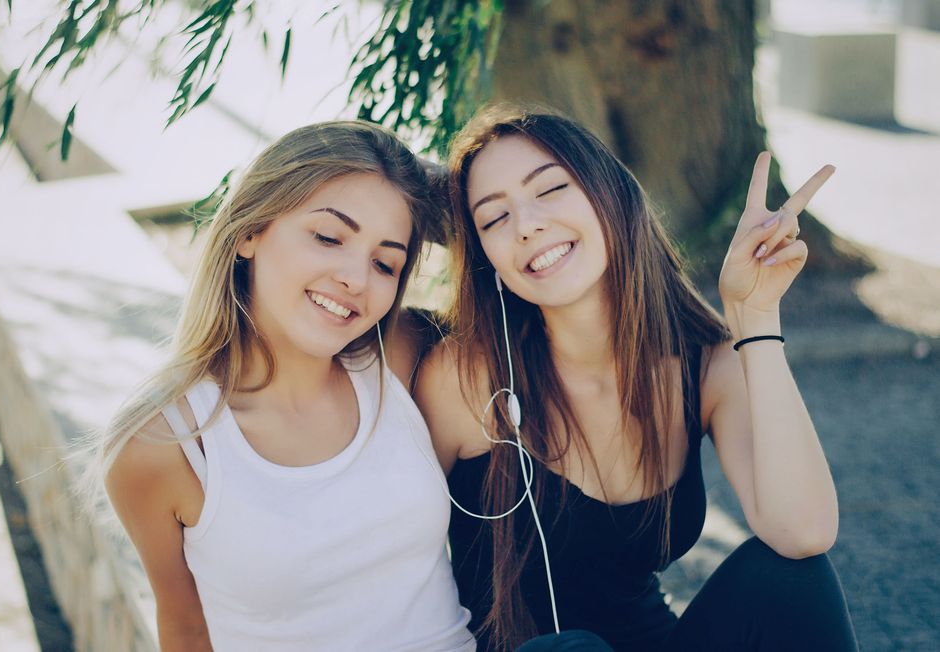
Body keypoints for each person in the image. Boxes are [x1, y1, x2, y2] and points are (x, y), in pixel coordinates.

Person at [415, 106, 859, 651]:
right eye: (493, 219)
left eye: (549, 189)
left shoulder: (704, 365)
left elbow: (805, 534)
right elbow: (394, 564)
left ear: (610, 194)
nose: (527, 224)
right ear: (487, 257)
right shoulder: (465, 378)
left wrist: (757, 319)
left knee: (795, 580)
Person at [101, 121, 475, 651]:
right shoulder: (167, 445)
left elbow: (526, 296)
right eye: (328, 237)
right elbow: (186, 631)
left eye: (385, 262)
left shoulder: (402, 359)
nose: (356, 278)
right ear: (250, 230)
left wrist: (431, 188)